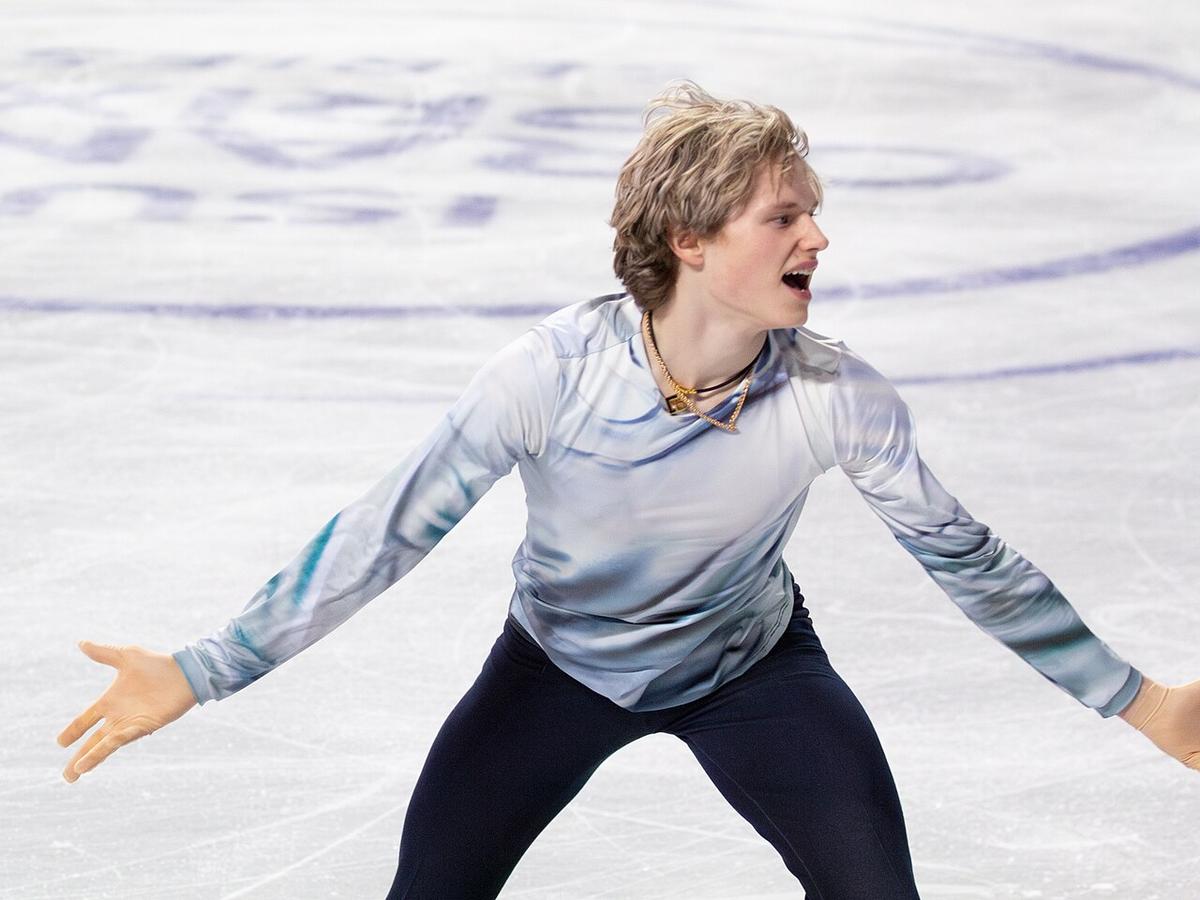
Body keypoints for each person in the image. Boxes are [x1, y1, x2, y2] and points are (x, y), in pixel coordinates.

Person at [58, 81, 1200, 899]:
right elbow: (386, 534)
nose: (821, 235)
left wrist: (1142, 701)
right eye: (785, 216)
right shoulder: (549, 376)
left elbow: (972, 563)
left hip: (757, 673)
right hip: (552, 673)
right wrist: (206, 671)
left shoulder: (834, 396)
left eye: (811, 210)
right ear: (691, 238)